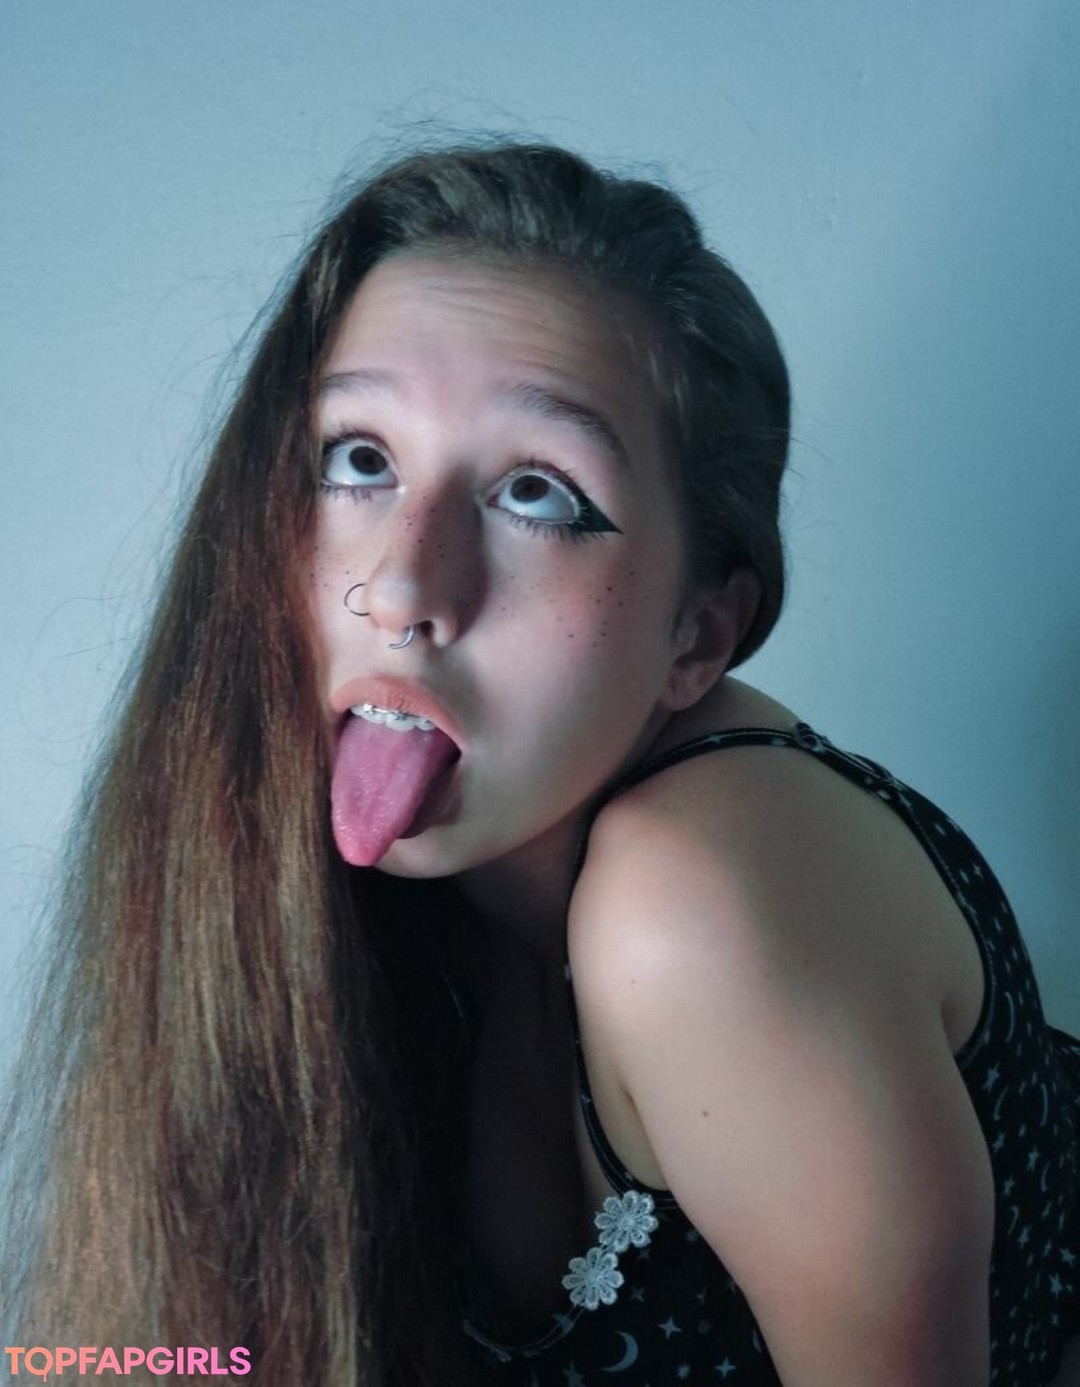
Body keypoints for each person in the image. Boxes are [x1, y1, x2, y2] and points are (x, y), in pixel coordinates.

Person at [3, 140, 1078, 1386]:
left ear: (697, 633)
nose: (402, 588)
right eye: (359, 459)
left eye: (535, 492)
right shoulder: (357, 913)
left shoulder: (699, 905)